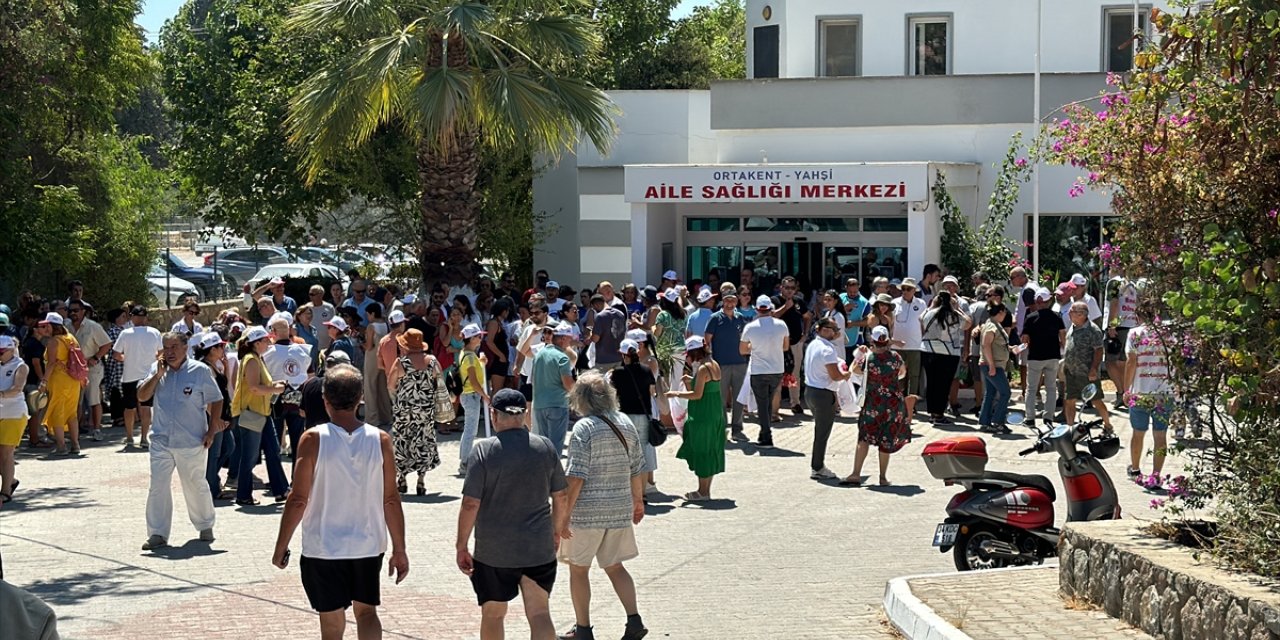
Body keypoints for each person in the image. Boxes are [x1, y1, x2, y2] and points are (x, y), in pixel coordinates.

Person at [271, 364, 409, 640]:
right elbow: (391, 499)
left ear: (325, 400)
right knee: (367, 613)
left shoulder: (312, 439)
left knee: (332, 624)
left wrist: (281, 546)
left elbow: (298, 499)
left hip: (323, 548)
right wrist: (400, 548)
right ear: (360, 398)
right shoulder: (380, 439)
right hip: (367, 545)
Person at [455, 388, 568, 640]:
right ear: (525, 413)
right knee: (539, 613)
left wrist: (461, 545)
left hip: (494, 552)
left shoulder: (483, 451)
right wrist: (556, 531)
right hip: (538, 547)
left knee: (493, 614)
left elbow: (470, 504)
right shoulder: (545, 447)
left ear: (493, 415)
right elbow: (561, 496)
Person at [557, 370, 648, 640]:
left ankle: (583, 629)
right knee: (615, 566)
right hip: (618, 509)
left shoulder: (584, 428)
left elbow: (576, 477)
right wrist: (638, 500)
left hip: (587, 514)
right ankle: (634, 620)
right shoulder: (625, 423)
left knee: (578, 568)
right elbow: (637, 467)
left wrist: (563, 516)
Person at [137, 332, 226, 550]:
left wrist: (211, 431)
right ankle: (157, 533)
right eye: (166, 348)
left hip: (192, 440)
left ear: (186, 347)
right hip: (161, 441)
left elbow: (217, 400)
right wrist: (156, 376)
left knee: (195, 484)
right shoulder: (156, 370)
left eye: (174, 347)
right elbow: (141, 396)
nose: (170, 352)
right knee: (157, 486)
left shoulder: (200, 371)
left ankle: (205, 525)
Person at [841, 326, 908, 487]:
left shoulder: (868, 358)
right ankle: (883, 477)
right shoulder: (896, 356)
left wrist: (860, 354)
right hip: (892, 403)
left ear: (873, 340)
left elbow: (853, 370)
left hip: (872, 403)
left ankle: (856, 474)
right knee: (886, 439)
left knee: (864, 437)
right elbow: (903, 373)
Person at [231, 326, 290, 506]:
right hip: (251, 414)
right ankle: (243, 494)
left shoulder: (256, 358)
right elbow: (255, 388)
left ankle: (281, 490)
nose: (269, 342)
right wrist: (276, 388)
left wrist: (274, 385)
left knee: (273, 452)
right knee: (249, 456)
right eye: (266, 340)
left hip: (261, 414)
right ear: (257, 343)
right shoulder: (251, 360)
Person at [666, 336, 725, 501]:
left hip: (703, 414)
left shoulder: (703, 369)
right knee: (710, 449)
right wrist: (691, 380)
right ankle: (705, 490)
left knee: (702, 450)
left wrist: (675, 393)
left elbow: (697, 394)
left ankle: (702, 492)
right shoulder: (715, 365)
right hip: (714, 413)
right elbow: (706, 387)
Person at [389, 328, 443, 495]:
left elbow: (390, 385)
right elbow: (439, 382)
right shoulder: (432, 361)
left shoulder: (401, 363)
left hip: (404, 410)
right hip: (425, 410)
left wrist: (399, 396)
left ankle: (402, 478)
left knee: (402, 441)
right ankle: (420, 481)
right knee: (423, 441)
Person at [1124, 314, 1173, 483]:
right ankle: (1156, 475)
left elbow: (1131, 362)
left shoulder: (1135, 333)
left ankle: (1135, 470)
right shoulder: (1170, 333)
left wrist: (1126, 389)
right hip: (1164, 391)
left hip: (1140, 390)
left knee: (1138, 433)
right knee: (1160, 435)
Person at [610, 339, 661, 500]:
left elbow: (611, 394)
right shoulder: (646, 370)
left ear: (625, 355)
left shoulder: (617, 373)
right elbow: (652, 392)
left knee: (626, 455)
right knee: (643, 455)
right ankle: (642, 494)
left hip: (624, 417)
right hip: (643, 416)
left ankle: (629, 492)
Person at [805, 319, 852, 480]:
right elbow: (835, 375)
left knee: (820, 430)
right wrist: (847, 374)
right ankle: (817, 467)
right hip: (823, 394)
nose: (835, 332)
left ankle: (817, 465)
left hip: (810, 391)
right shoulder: (828, 349)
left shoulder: (813, 344)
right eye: (833, 329)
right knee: (822, 433)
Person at [740, 295, 790, 448]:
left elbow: (742, 350)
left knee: (763, 403)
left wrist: (753, 346)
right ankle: (764, 433)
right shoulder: (781, 325)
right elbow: (785, 347)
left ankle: (766, 435)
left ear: (757, 309)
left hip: (759, 370)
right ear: (771, 309)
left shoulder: (750, 327)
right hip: (776, 369)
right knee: (767, 402)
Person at [113, 305, 164, 448]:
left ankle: (129, 437)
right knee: (146, 407)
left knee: (129, 408)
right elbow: (161, 353)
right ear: (146, 318)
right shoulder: (155, 332)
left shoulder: (125, 333)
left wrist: (127, 358)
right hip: (149, 376)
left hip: (130, 375)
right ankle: (143, 438)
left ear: (132, 317)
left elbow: (116, 354)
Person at [194, 332, 236, 501]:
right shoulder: (205, 368)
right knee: (215, 453)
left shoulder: (214, 365)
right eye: (220, 346)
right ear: (212, 349)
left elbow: (223, 388)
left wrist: (225, 368)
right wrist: (214, 421)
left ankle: (210, 479)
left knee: (228, 447)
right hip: (214, 418)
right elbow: (208, 398)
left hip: (222, 416)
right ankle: (211, 488)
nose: (223, 349)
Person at [703, 290, 748, 439]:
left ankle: (737, 429)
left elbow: (745, 339)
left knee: (739, 398)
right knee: (720, 399)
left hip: (740, 363)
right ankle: (721, 428)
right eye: (727, 300)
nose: (730, 304)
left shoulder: (740, 318)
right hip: (720, 364)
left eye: (733, 301)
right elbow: (707, 340)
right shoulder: (715, 318)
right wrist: (709, 360)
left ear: (737, 302)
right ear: (723, 301)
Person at [1062, 302, 1113, 430]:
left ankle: (1107, 424)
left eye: (1072, 311)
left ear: (1081, 314)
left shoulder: (1093, 330)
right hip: (1071, 372)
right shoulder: (1073, 327)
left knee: (1096, 400)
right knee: (1069, 400)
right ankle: (1070, 428)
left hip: (1087, 373)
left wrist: (1094, 369)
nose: (1069, 313)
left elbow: (1098, 351)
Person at [37, 312, 82, 455]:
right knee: (72, 414)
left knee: (57, 412)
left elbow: (50, 364)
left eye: (47, 325)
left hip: (58, 380)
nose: (45, 328)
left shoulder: (53, 341)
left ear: (52, 325)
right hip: (73, 380)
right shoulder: (70, 338)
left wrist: (44, 381)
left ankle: (61, 446)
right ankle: (75, 445)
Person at [1020, 288, 1066, 427]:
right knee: (1051, 388)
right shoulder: (1057, 316)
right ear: (1049, 301)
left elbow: (1025, 338)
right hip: (1052, 356)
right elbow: (1063, 335)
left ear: (1036, 301)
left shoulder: (1030, 317)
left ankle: (1030, 418)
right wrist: (1063, 348)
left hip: (1035, 356)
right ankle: (1048, 417)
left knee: (1031, 388)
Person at [919, 291, 966, 425]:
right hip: (947, 353)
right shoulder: (953, 315)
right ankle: (939, 415)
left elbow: (920, 319)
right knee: (943, 385)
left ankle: (933, 413)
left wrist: (931, 306)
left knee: (932, 383)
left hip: (928, 351)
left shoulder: (929, 313)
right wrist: (958, 308)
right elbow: (968, 323)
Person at [67, 301, 111, 440]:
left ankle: (97, 429)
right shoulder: (66, 327)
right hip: (73, 369)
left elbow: (107, 343)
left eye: (76, 310)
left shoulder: (93, 327)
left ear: (83, 311)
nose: (73, 313)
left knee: (93, 399)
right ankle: (77, 430)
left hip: (91, 368)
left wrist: (96, 358)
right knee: (75, 401)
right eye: (71, 311)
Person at [531, 323, 576, 457]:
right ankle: (553, 476)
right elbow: (568, 385)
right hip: (557, 405)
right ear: (562, 339)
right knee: (555, 447)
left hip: (539, 405)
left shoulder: (539, 355)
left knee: (543, 446)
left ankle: (543, 475)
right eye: (569, 338)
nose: (570, 341)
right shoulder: (562, 358)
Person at [772, 277, 810, 416]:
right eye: (787, 288)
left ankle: (795, 402)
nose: (789, 291)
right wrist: (785, 307)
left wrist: (805, 333)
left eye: (792, 288)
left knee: (795, 373)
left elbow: (807, 316)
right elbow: (771, 316)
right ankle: (776, 402)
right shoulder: (774, 301)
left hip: (795, 343)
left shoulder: (799, 301)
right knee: (777, 372)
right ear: (781, 287)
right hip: (777, 344)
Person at [892, 278, 925, 423]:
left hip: (915, 345)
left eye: (908, 289)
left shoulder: (921, 303)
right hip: (897, 346)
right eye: (903, 289)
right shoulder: (894, 303)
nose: (905, 291)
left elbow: (923, 323)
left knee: (914, 375)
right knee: (899, 375)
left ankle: (912, 404)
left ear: (914, 291)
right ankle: (899, 401)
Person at [458, 323, 490, 475]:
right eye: (479, 336)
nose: (481, 339)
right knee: (471, 430)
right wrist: (485, 395)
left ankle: (464, 459)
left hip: (469, 395)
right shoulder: (469, 357)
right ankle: (465, 462)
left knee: (469, 429)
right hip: (471, 395)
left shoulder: (467, 354)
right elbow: (473, 380)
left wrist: (481, 360)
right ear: (471, 339)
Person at [0, 336, 29, 503]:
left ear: (11, 350)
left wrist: (1, 394)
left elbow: (17, 389)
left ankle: (5, 491)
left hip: (14, 413)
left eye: (1, 351)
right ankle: (11, 480)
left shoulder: (21, 366)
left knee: (6, 452)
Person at [1105, 276, 1140, 410]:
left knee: (1111, 362)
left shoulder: (1114, 282)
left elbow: (1114, 303)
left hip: (1119, 327)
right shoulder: (1132, 284)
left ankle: (1122, 393)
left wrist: (1111, 326)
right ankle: (1126, 393)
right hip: (1131, 325)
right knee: (1124, 362)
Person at [978, 303, 1014, 434]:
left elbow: (996, 344)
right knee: (1005, 393)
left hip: (994, 365)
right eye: (1004, 313)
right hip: (992, 366)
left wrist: (1011, 349)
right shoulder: (991, 326)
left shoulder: (995, 325)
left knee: (991, 393)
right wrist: (991, 365)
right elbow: (985, 345)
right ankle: (998, 421)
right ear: (1000, 312)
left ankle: (985, 421)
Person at [362, 303, 391, 427]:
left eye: (368, 314)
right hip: (383, 357)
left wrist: (360, 343)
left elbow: (369, 346)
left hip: (372, 357)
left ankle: (372, 419)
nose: (367, 317)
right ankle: (386, 416)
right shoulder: (386, 325)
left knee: (370, 387)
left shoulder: (371, 327)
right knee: (382, 388)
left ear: (372, 313)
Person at [652, 288, 687, 386]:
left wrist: (652, 328)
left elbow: (657, 333)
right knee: (677, 378)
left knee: (667, 379)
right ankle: (676, 398)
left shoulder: (662, 315)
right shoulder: (682, 314)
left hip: (667, 350)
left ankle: (670, 399)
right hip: (681, 349)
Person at [589, 295, 627, 373]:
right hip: (619, 357)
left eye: (594, 308)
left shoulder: (600, 316)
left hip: (603, 359)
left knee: (603, 384)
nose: (595, 310)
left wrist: (591, 333)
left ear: (596, 305)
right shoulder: (620, 314)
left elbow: (595, 339)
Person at [840, 277, 872, 359]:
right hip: (839, 339)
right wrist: (844, 308)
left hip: (856, 340)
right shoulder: (840, 298)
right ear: (845, 288)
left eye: (855, 291)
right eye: (850, 292)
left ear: (858, 288)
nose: (853, 294)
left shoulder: (864, 303)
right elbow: (832, 313)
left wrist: (853, 324)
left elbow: (868, 321)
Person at [306, 285, 337, 350]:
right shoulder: (306, 308)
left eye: (312, 294)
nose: (310, 296)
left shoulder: (329, 307)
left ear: (321, 295)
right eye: (309, 294)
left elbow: (334, 325)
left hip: (327, 345)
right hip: (311, 346)